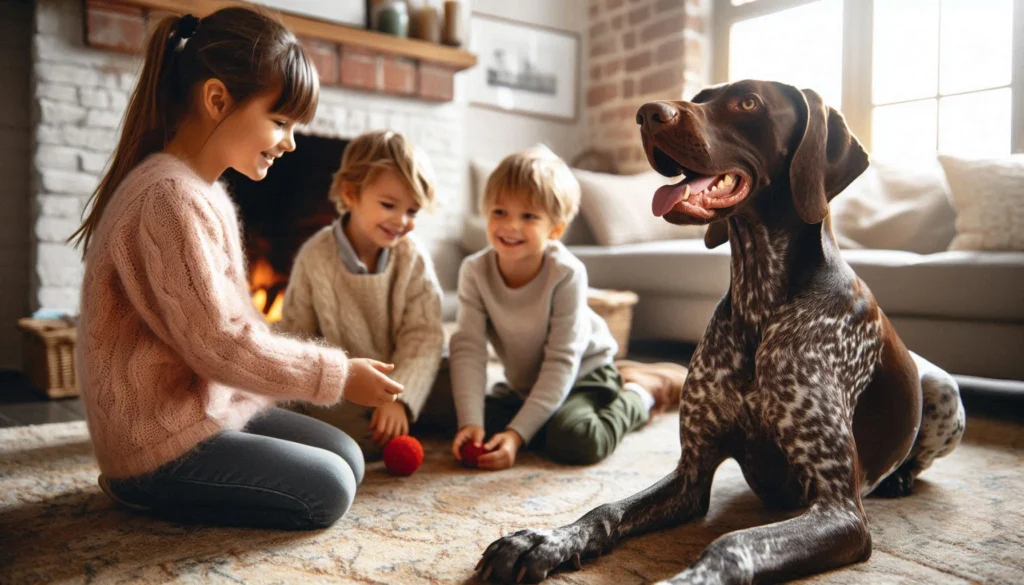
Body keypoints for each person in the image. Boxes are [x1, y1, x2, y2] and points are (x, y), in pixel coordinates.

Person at [71, 7, 403, 530]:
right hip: (155, 441)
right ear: (217, 99)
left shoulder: (205, 192)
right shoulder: (167, 199)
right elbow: (221, 344)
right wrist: (336, 375)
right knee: (329, 490)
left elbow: (231, 334)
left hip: (207, 409)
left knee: (350, 456)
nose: (291, 142)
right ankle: (137, 491)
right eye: (279, 121)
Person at [449, 145, 688, 470]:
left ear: (556, 229)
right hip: (526, 383)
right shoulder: (474, 271)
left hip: (583, 373)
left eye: (529, 216)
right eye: (499, 212)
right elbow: (469, 349)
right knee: (463, 413)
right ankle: (534, 417)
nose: (510, 226)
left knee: (574, 439)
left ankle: (639, 391)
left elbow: (562, 362)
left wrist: (517, 436)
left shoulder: (566, 272)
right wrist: (470, 423)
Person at [279, 130, 444, 460]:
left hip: (398, 379)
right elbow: (298, 338)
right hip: (341, 385)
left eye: (412, 211)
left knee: (459, 392)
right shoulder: (315, 256)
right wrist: (339, 383)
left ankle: (400, 419)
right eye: (388, 205)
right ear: (351, 194)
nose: (402, 221)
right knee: (348, 438)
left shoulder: (413, 258)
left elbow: (424, 336)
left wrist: (399, 400)